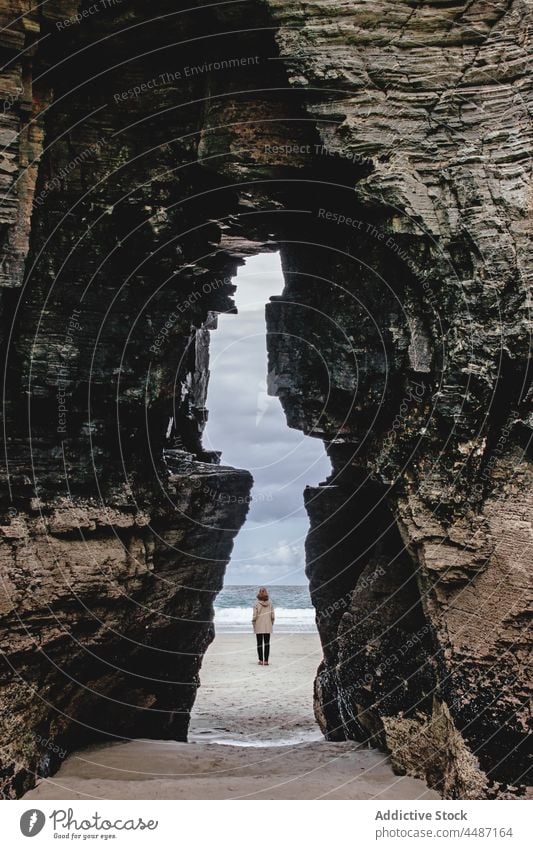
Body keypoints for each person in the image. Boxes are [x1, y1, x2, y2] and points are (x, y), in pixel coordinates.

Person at [252, 587, 275, 665]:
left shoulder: (256, 604)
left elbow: (254, 616)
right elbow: (272, 616)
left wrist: (253, 623)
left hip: (259, 625)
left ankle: (261, 660)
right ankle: (266, 661)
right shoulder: (270, 603)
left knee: (259, 643)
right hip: (268, 625)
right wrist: (271, 624)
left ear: (259, 593)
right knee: (267, 643)